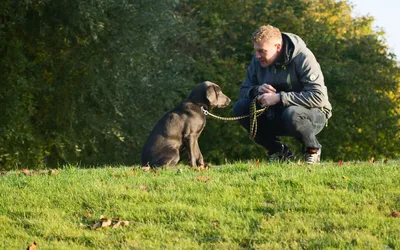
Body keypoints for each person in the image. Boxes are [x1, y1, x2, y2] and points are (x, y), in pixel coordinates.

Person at [233, 25, 332, 164]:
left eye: (262, 51)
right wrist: (257, 90)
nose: (257, 56)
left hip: (311, 115)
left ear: (278, 47)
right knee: (240, 107)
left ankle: (312, 150)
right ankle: (278, 151)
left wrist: (279, 97)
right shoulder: (257, 60)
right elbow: (243, 91)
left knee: (292, 113)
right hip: (275, 114)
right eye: (256, 51)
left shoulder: (303, 57)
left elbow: (318, 97)